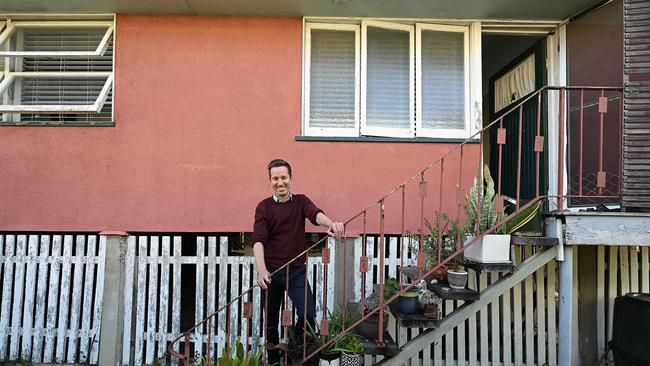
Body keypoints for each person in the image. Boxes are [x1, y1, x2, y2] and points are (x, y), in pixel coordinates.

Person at [252, 159, 344, 365]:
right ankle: (274, 361)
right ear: (270, 181)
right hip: (271, 273)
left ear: (291, 179)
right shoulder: (264, 207)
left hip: (296, 271)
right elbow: (258, 241)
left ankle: (296, 352)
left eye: (283, 177)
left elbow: (315, 214)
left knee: (308, 314)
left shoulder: (301, 201)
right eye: (275, 178)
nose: (280, 182)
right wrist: (262, 270)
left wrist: (331, 224)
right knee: (271, 324)